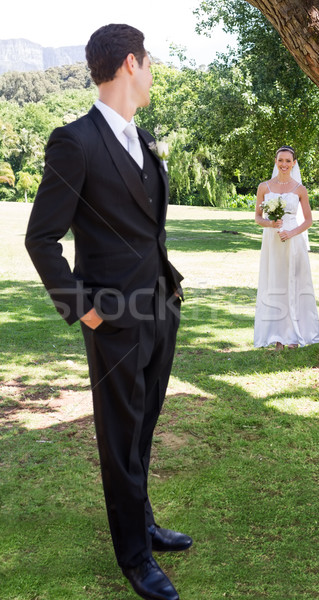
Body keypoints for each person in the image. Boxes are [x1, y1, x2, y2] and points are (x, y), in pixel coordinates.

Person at [25, 23, 192, 600]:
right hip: (112, 320)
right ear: (128, 64)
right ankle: (134, 557)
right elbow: (41, 239)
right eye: (148, 62)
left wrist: (168, 292)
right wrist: (85, 312)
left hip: (158, 310)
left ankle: (143, 522)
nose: (152, 72)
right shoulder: (74, 142)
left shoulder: (143, 138)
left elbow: (149, 230)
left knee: (142, 432)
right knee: (119, 440)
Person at [253, 145, 319, 350]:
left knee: (296, 283)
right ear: (276, 162)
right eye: (280, 160)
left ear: (293, 163)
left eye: (287, 161)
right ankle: (277, 337)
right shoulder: (264, 187)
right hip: (272, 242)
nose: (284, 164)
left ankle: (294, 336)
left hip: (293, 241)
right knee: (274, 283)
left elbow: (308, 221)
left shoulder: (300, 189)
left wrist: (291, 233)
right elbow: (258, 217)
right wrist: (270, 224)